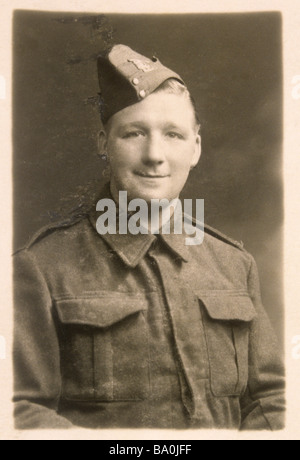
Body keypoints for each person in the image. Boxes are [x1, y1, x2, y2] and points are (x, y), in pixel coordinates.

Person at [13, 44, 285, 430]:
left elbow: (272, 400)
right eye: (134, 133)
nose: (155, 155)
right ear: (104, 144)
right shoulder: (40, 268)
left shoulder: (234, 265)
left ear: (196, 147)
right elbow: (17, 409)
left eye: (173, 134)